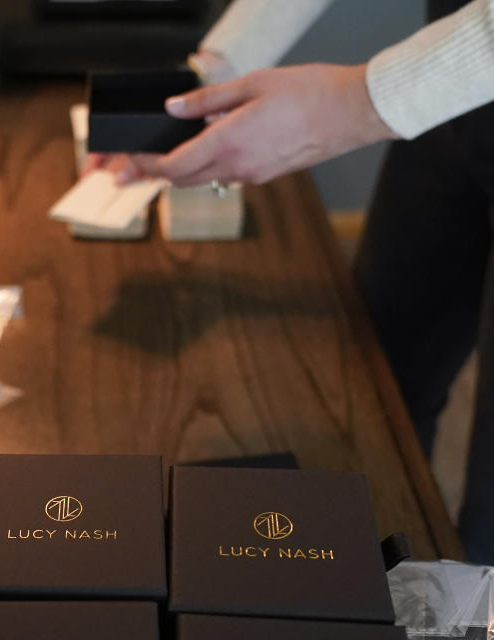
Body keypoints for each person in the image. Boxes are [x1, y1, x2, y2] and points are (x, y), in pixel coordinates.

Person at [88, 0, 494, 563]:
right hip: (453, 91)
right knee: (383, 384)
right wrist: (215, 73)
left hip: (452, 71)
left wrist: (357, 104)